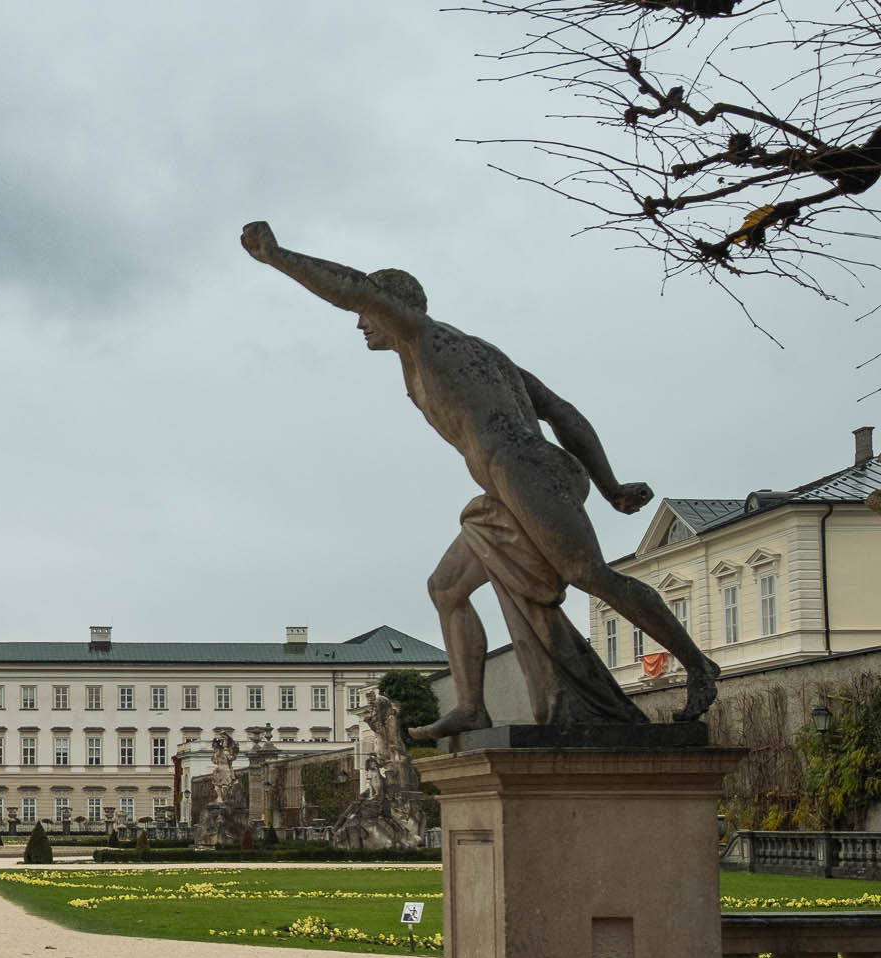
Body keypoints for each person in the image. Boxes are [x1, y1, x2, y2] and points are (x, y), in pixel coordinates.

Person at [239, 220, 718, 737]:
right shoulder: (472, 354)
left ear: (392, 306)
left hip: (526, 469)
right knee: (446, 588)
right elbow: (562, 411)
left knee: (587, 574)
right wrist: (609, 485)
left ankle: (698, 665)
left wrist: (277, 256)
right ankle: (471, 707)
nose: (359, 324)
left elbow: (353, 288)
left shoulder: (427, 338)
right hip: (507, 483)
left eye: (366, 314)